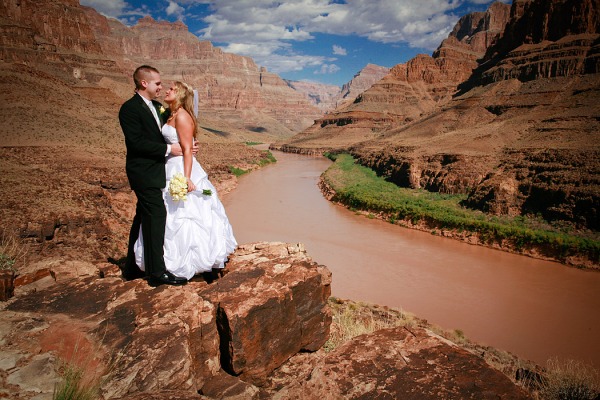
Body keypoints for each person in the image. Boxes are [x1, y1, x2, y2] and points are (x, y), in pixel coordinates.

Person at [132, 81, 237, 280]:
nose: (167, 90)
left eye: (172, 89)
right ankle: (164, 261)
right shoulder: (169, 114)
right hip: (168, 165)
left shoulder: (181, 116)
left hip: (181, 167)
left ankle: (190, 262)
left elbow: (188, 150)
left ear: (180, 94)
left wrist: (186, 178)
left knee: (187, 213)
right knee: (168, 214)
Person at [119, 65, 188, 286]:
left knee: (142, 218)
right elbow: (136, 143)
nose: (160, 87)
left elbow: (174, 127)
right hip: (143, 172)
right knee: (157, 215)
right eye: (157, 83)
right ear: (144, 83)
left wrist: (188, 144)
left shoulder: (158, 107)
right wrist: (169, 149)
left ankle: (132, 267)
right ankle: (157, 272)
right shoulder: (129, 109)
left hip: (159, 171)